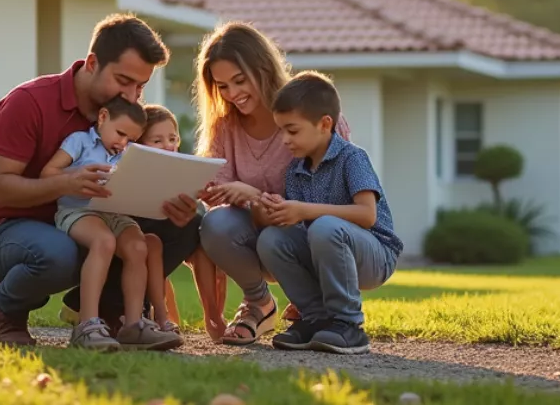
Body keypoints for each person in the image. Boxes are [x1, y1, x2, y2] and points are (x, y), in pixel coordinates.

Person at [0, 14, 201, 346]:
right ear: (93, 63)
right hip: (16, 228)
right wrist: (64, 183)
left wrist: (169, 202)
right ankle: (6, 305)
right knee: (59, 253)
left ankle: (113, 315)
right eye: (123, 81)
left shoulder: (127, 118)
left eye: (140, 86)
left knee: (186, 222)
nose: (132, 95)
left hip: (98, 218)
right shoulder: (29, 103)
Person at [193, 22, 350, 346]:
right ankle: (258, 303)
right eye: (222, 86)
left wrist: (253, 196)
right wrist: (206, 189)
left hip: (313, 235)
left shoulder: (310, 112)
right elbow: (216, 185)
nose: (233, 94)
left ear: (263, 69)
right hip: (260, 236)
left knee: (285, 232)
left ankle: (313, 301)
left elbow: (332, 189)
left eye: (240, 80)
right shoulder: (225, 126)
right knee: (215, 222)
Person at [255, 71, 402, 355]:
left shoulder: (352, 158)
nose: (284, 139)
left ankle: (349, 325)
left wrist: (304, 210)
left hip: (375, 255)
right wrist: (274, 211)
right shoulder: (295, 172)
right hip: (325, 250)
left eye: (292, 130)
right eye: (281, 131)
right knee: (271, 239)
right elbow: (297, 228)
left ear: (324, 124)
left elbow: (367, 215)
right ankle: (315, 318)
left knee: (324, 227)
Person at [41, 97, 181, 351]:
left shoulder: (127, 153)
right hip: (77, 210)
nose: (122, 142)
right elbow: (47, 174)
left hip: (114, 213)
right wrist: (78, 175)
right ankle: (88, 324)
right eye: (120, 133)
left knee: (139, 247)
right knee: (103, 241)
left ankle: (134, 324)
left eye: (130, 139)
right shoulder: (79, 141)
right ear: (103, 117)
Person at [138, 104, 226, 339]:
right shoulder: (134, 171)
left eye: (172, 138)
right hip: (141, 236)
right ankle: (164, 314)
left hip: (173, 234)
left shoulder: (181, 169)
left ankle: (214, 316)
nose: (168, 145)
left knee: (202, 233)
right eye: (157, 141)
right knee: (154, 244)